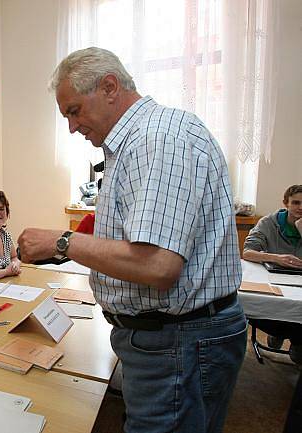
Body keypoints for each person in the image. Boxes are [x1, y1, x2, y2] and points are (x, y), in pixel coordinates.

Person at [18, 47, 246, 433]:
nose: (72, 127)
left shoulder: (156, 139)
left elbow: (157, 265)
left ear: (109, 87)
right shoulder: (141, 141)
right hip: (171, 337)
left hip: (178, 340)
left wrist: (62, 241)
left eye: (74, 111)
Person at [243, 184, 302, 363]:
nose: (301, 207)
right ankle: (278, 334)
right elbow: (247, 252)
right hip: (273, 279)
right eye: (296, 203)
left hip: (298, 283)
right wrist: (276, 258)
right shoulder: (269, 222)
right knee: (277, 315)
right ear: (286, 203)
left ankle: (296, 345)